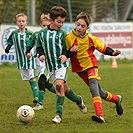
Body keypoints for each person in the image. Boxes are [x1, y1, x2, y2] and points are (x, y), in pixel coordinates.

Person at [65, 12, 123, 123]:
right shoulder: (69, 38)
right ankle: (117, 99)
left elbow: (103, 48)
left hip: (91, 65)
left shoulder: (91, 39)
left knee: (93, 88)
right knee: (100, 92)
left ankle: (100, 116)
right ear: (75, 23)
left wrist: (113, 53)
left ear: (87, 28)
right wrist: (70, 51)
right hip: (79, 69)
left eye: (83, 26)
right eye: (78, 25)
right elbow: (66, 53)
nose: (79, 28)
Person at [36, 6, 87, 123]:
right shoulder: (42, 33)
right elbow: (39, 46)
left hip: (61, 65)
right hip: (50, 66)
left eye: (63, 22)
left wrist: (66, 54)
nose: (61, 24)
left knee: (59, 85)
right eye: (59, 22)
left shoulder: (62, 34)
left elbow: (65, 48)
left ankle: (58, 115)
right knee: (65, 88)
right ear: (51, 20)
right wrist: (41, 54)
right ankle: (78, 100)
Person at [5, 13, 39, 105]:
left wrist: (36, 53)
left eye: (23, 21)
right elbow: (10, 41)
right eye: (19, 21)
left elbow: (36, 43)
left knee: (32, 77)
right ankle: (36, 94)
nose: (21, 23)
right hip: (21, 61)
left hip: (30, 59)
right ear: (17, 23)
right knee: (29, 79)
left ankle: (37, 97)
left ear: (26, 23)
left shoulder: (30, 33)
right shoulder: (14, 33)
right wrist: (8, 47)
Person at [26, 13, 55, 110]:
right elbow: (30, 43)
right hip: (39, 63)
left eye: (47, 25)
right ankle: (63, 92)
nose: (45, 27)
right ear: (40, 25)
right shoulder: (37, 34)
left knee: (42, 81)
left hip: (49, 63)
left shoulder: (53, 34)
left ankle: (40, 104)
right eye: (44, 25)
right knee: (45, 84)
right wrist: (27, 51)